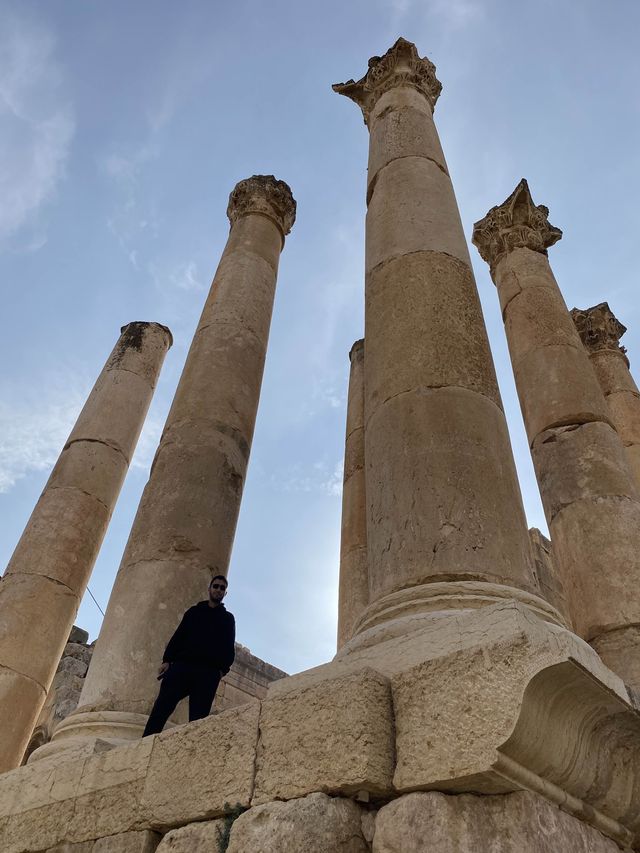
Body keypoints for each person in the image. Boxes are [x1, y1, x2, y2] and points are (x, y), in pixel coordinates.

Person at [142, 574, 235, 736]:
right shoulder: (194, 612)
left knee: (198, 720)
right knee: (162, 707)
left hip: (208, 672)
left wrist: (221, 671)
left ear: (225, 593)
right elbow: (179, 636)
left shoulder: (227, 618)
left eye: (222, 588)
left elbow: (228, 646)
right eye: (216, 586)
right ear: (209, 589)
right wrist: (167, 660)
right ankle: (144, 743)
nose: (218, 590)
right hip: (182, 666)